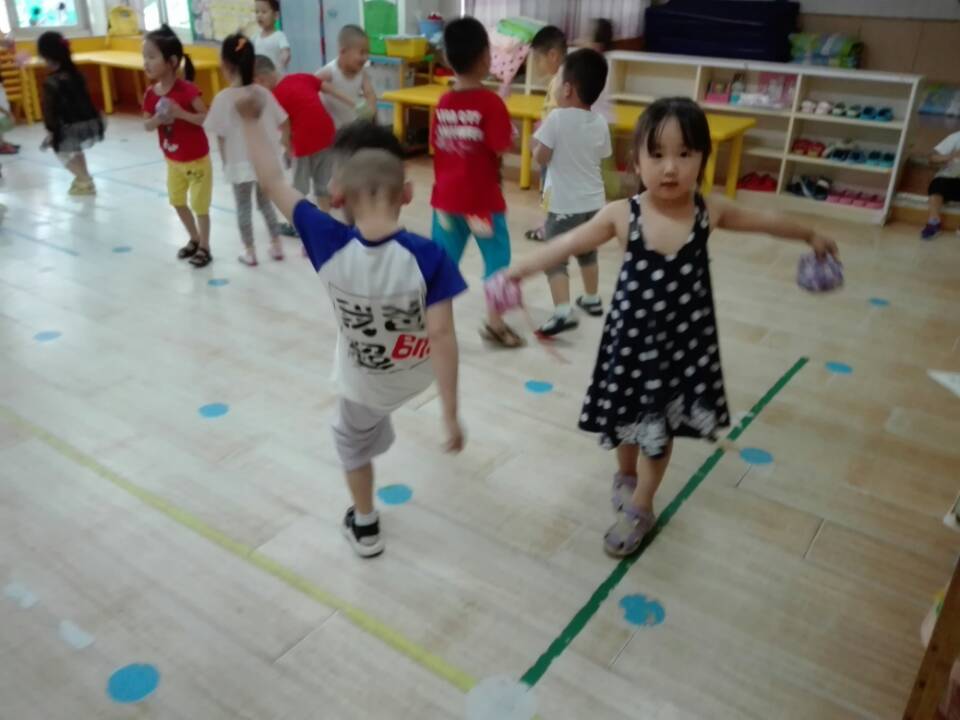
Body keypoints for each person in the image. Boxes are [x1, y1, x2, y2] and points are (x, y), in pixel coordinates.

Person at [503, 97, 839, 557]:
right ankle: (626, 475)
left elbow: (766, 221)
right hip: (629, 344)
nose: (670, 167)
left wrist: (809, 234)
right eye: (657, 154)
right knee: (624, 419)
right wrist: (518, 271)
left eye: (685, 154)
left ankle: (642, 504)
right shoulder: (621, 214)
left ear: (703, 159)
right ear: (636, 160)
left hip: (682, 351)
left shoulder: (708, 211)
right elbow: (566, 244)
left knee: (658, 431)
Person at [236, 95, 467, 558]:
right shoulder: (430, 256)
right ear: (407, 193)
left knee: (350, 441)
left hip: (364, 381)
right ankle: (379, 430)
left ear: (338, 195)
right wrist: (449, 413)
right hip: (414, 374)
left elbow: (272, 180)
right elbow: (442, 335)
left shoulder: (327, 241)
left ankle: (364, 525)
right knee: (371, 417)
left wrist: (250, 122)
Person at [431, 16, 522, 348]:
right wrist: (511, 134)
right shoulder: (491, 103)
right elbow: (501, 145)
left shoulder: (443, 103)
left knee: (442, 264)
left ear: (447, 58)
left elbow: (437, 145)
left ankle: (432, 326)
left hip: (445, 201)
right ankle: (495, 325)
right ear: (486, 57)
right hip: (482, 202)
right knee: (497, 261)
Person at [532, 48, 610, 336]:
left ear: (567, 89)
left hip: (565, 205)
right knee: (587, 251)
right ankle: (591, 298)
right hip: (594, 204)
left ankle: (563, 311)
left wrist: (535, 147)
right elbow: (601, 155)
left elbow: (542, 158)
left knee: (555, 257)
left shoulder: (557, 118)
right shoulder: (600, 122)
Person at [205, 35, 287, 266]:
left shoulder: (223, 98)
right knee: (265, 203)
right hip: (264, 161)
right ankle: (276, 245)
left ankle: (249, 251)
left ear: (225, 64)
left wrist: (226, 163)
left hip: (239, 164)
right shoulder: (263, 93)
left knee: (243, 207)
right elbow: (282, 120)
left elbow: (220, 135)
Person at [142, 25, 213, 268]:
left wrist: (181, 114)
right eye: (145, 57)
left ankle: (205, 246)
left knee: (200, 206)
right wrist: (158, 119)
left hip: (197, 160)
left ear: (171, 62)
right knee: (177, 201)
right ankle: (194, 238)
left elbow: (206, 118)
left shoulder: (187, 90)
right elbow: (146, 125)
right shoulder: (151, 94)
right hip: (173, 161)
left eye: (152, 56)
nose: (146, 62)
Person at [255, 54, 354, 218]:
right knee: (323, 185)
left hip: (304, 143)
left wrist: (287, 149)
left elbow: (285, 128)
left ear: (261, 80)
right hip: (327, 135)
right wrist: (352, 102)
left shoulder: (274, 97)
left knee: (299, 190)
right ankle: (326, 219)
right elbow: (328, 88)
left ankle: (298, 224)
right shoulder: (301, 77)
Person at [36, 32, 104, 196]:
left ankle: (84, 179)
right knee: (77, 149)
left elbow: (49, 110)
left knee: (61, 151)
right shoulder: (76, 74)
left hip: (67, 124)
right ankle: (84, 180)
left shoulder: (52, 82)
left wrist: (52, 130)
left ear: (46, 57)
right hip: (88, 121)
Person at [524, 24, 567, 243]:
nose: (538, 65)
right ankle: (555, 225)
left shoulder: (562, 80)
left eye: (539, 59)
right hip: (555, 146)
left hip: (554, 148)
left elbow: (558, 115)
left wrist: (541, 139)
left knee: (551, 189)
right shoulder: (561, 77)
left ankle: (552, 227)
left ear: (553, 55)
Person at [316, 24, 377, 129]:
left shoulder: (362, 73)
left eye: (367, 53)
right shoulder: (330, 71)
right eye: (361, 53)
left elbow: (369, 93)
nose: (366, 57)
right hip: (330, 128)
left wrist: (371, 109)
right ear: (343, 52)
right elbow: (309, 82)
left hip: (350, 126)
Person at [920, 129, 960, 240]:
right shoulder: (956, 137)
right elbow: (932, 157)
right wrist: (951, 156)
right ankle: (934, 222)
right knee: (937, 184)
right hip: (951, 178)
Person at [250, 0, 290, 73]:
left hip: (277, 76)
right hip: (261, 76)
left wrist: (284, 58)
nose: (259, 15)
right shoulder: (255, 37)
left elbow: (286, 51)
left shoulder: (279, 36)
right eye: (257, 12)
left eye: (264, 12)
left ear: (276, 15)